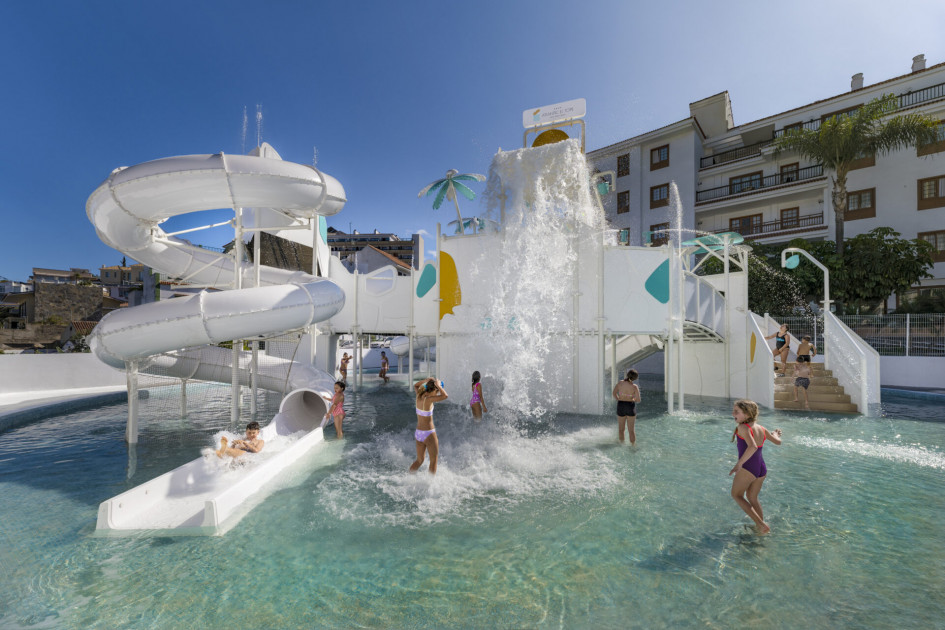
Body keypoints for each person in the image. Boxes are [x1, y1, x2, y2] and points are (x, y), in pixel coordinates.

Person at [729, 399, 783, 534]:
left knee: (736, 495)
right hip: (761, 469)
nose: (733, 414)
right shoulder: (761, 428)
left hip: (748, 467)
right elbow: (778, 442)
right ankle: (761, 527)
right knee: (752, 497)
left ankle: (760, 524)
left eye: (736, 411)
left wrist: (739, 464)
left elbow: (752, 447)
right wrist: (775, 434)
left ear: (747, 414)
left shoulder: (743, 427)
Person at [410, 377, 448, 475]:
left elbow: (416, 385)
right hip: (428, 433)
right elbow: (445, 396)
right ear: (433, 390)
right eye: (436, 391)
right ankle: (431, 482)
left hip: (418, 433)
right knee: (433, 460)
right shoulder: (429, 400)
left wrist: (426, 380)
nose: (437, 394)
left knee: (419, 460)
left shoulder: (419, 395)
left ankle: (409, 476)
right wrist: (438, 385)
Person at [612, 369, 641, 445]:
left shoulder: (620, 383)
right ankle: (633, 446)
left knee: (621, 429)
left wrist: (619, 399)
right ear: (635, 378)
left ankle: (622, 444)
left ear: (628, 375)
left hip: (621, 405)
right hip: (630, 406)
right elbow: (638, 400)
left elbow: (614, 393)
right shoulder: (634, 386)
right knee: (631, 430)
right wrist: (632, 399)